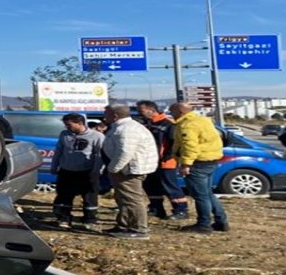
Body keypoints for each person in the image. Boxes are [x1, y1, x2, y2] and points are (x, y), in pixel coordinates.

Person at [169, 102, 230, 234]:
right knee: (207, 193)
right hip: (210, 160)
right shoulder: (203, 120)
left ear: (180, 112)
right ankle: (221, 221)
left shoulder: (187, 125)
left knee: (200, 196)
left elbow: (190, 146)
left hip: (197, 163)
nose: (171, 115)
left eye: (172, 111)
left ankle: (204, 224)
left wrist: (186, 164)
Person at [101, 104, 158, 239]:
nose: (104, 117)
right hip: (124, 169)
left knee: (132, 199)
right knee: (123, 198)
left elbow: (125, 152)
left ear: (115, 115)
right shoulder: (120, 127)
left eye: (107, 114)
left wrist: (113, 168)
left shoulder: (128, 129)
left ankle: (139, 229)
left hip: (129, 170)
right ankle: (124, 225)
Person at [136, 100, 189, 220]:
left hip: (166, 161)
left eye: (141, 111)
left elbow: (175, 143)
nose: (139, 113)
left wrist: (168, 156)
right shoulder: (147, 124)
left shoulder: (168, 124)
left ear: (151, 109)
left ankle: (180, 209)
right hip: (150, 161)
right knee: (151, 185)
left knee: (170, 186)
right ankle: (156, 209)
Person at [51, 113, 105, 228]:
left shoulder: (97, 136)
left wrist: (96, 170)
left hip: (87, 171)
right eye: (65, 125)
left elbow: (99, 155)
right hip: (67, 170)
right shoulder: (64, 135)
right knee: (64, 196)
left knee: (89, 197)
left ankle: (89, 220)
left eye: (69, 125)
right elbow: (58, 151)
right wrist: (54, 166)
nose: (67, 127)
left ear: (80, 123)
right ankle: (64, 218)